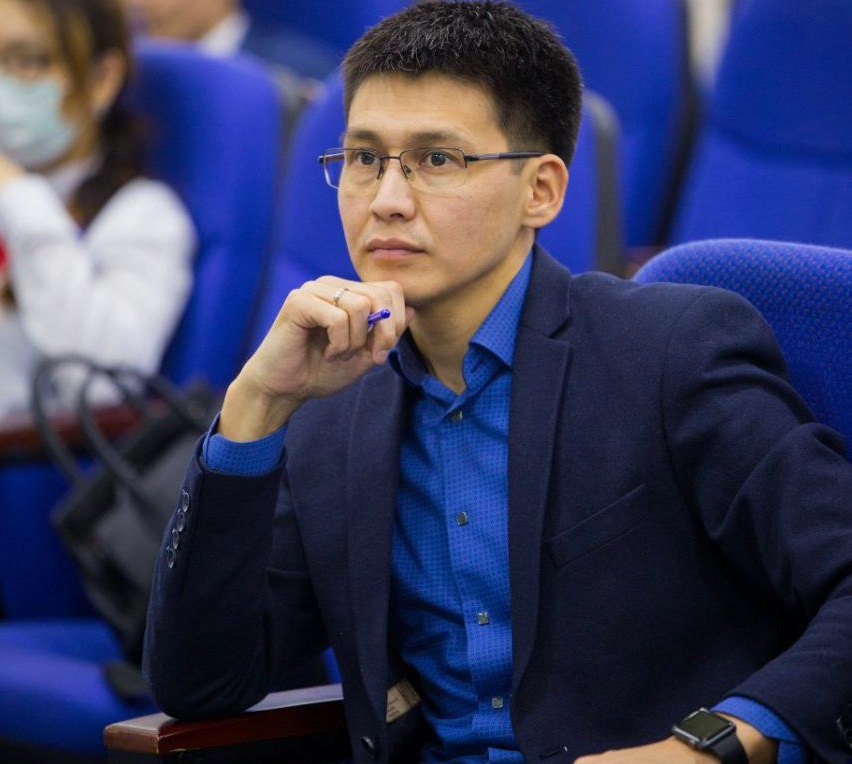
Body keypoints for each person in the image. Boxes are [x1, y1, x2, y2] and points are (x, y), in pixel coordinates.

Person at [142, 2, 852, 763]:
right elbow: (201, 682)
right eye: (363, 158)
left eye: (437, 160)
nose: (386, 199)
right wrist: (255, 406)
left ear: (540, 190)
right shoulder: (331, 400)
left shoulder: (669, 352)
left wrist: (712, 747)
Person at [0, 0, 196, 420]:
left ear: (101, 79)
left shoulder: (145, 217)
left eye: (27, 61)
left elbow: (103, 386)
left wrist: (18, 193)